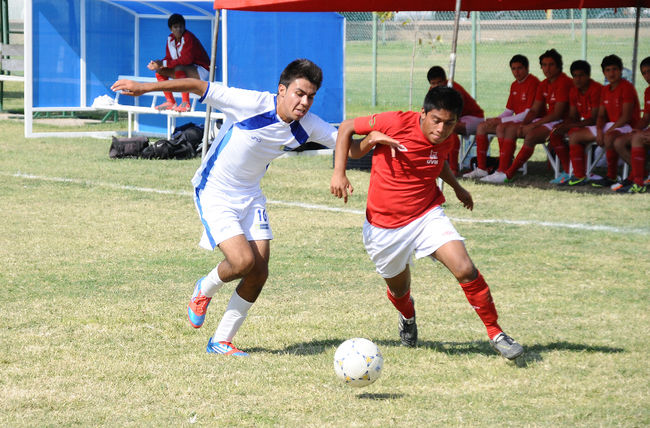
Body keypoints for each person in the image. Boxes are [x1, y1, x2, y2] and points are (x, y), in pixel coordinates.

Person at [112, 59, 340, 356]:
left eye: (311, 96)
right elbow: (197, 85)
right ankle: (204, 288)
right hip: (215, 191)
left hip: (251, 196)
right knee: (243, 262)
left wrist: (377, 136)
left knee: (259, 272)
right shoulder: (250, 104)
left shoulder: (307, 124)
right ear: (282, 90)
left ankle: (221, 341)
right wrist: (144, 88)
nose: (305, 102)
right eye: (299, 93)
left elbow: (345, 142)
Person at [330, 86, 524, 360]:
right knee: (399, 290)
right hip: (383, 227)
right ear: (423, 113)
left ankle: (496, 333)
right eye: (436, 120)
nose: (441, 129)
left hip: (426, 215)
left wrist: (457, 187)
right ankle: (407, 316)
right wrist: (339, 173)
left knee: (465, 269)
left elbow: (437, 160)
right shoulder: (395, 121)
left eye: (449, 123)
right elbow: (346, 127)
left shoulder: (447, 138)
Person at [481, 49, 573, 184]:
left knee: (531, 136)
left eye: (551, 65)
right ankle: (500, 170)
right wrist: (523, 124)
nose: (547, 68)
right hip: (548, 120)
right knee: (510, 129)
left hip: (563, 122)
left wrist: (533, 125)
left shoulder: (564, 82)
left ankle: (508, 175)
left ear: (559, 66)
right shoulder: (544, 84)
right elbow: (534, 110)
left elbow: (557, 114)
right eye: (544, 65)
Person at [563, 55, 640, 188]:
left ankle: (612, 176)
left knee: (609, 137)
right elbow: (601, 115)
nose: (611, 73)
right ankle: (579, 176)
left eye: (614, 69)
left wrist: (608, 130)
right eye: (608, 70)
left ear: (621, 70)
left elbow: (626, 117)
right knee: (574, 136)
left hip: (628, 126)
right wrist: (599, 130)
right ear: (604, 72)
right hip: (611, 125)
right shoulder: (605, 89)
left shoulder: (627, 87)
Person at [463, 54, 540, 179]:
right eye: (513, 69)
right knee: (482, 127)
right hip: (516, 121)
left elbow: (528, 114)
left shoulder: (533, 83)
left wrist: (501, 120)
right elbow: (509, 111)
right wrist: (496, 119)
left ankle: (503, 167)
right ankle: (482, 168)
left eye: (519, 68)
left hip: (531, 122)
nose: (516, 72)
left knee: (501, 127)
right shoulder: (514, 85)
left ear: (527, 68)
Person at [546, 60, 603, 186]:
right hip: (586, 125)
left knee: (574, 133)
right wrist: (563, 125)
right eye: (575, 76)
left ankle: (581, 173)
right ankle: (568, 171)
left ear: (588, 76)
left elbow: (594, 118)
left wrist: (570, 126)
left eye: (581, 75)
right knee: (555, 133)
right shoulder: (573, 91)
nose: (577, 79)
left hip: (601, 125)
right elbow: (573, 116)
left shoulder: (596, 89)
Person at [427, 66, 485, 175]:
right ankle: (436, 163)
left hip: (473, 118)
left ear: (445, 80)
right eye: (433, 83)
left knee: (449, 128)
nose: (436, 86)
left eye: (439, 82)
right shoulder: (432, 91)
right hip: (457, 118)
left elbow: (454, 113)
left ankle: (453, 168)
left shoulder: (453, 89)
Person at [148, 13, 211, 112]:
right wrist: (158, 64)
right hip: (188, 70)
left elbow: (186, 60)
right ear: (171, 28)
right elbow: (169, 58)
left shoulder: (188, 37)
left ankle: (185, 104)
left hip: (203, 71)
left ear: (184, 26)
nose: (178, 29)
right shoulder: (170, 39)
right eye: (175, 27)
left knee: (179, 68)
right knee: (160, 71)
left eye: (181, 26)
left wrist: (163, 63)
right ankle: (170, 102)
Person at [611, 56, 650, 193]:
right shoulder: (648, 92)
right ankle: (641, 174)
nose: (647, 76)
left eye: (649, 72)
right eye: (644, 73)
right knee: (619, 142)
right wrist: (635, 129)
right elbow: (646, 118)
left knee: (637, 138)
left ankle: (638, 183)